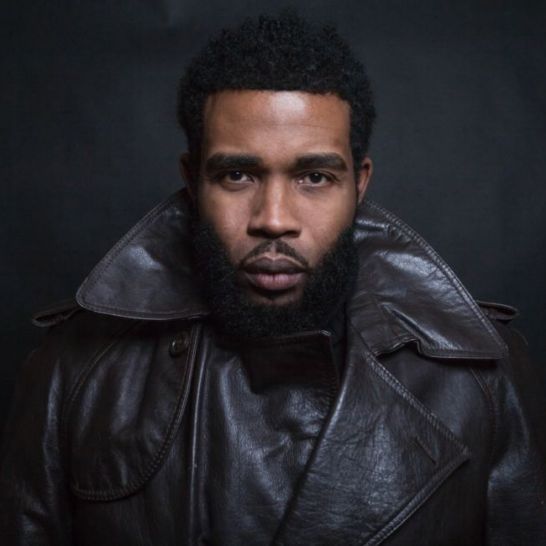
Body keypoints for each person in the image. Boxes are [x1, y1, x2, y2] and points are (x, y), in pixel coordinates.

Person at [1, 12, 545, 546]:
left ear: (359, 184)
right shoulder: (74, 367)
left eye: (315, 177)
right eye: (237, 174)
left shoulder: (484, 379)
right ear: (192, 181)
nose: (275, 218)